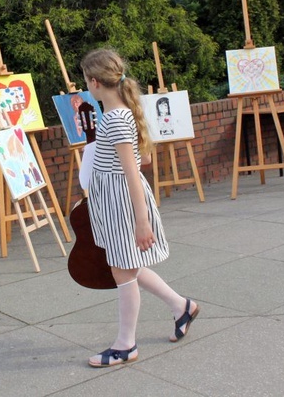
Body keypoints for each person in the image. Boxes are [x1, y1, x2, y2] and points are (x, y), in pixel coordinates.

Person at [80, 48, 199, 368]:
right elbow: (143, 159)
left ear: (94, 83)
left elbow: (133, 172)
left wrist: (142, 221)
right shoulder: (124, 114)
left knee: (123, 273)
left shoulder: (115, 119)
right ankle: (181, 306)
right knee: (128, 266)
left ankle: (125, 345)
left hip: (122, 205)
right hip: (117, 203)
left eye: (85, 83)